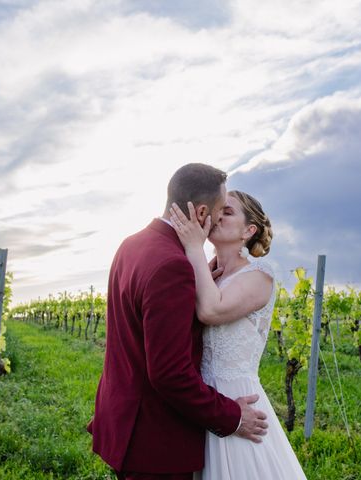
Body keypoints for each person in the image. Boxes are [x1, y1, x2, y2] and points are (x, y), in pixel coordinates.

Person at [87, 164, 269, 479]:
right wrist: (232, 417)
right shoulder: (174, 265)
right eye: (217, 212)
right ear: (201, 212)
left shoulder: (131, 244)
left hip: (123, 422)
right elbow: (169, 374)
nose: (217, 221)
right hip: (154, 439)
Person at [168, 190, 307, 480]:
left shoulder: (260, 275)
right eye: (219, 209)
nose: (217, 216)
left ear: (249, 230)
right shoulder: (212, 275)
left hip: (236, 398)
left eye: (228, 212)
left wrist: (193, 248)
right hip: (203, 400)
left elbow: (210, 311)